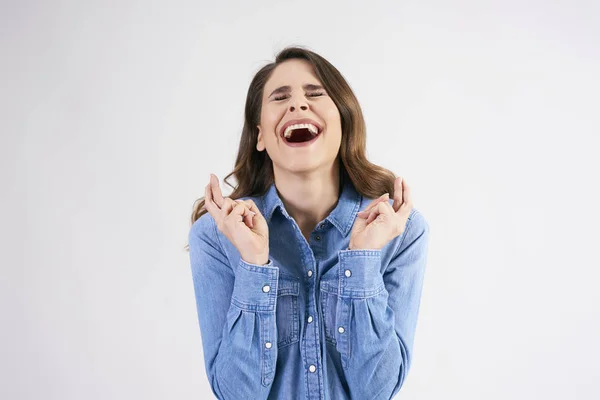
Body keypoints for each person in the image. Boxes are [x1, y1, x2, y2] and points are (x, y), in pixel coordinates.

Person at [186, 45, 430, 400]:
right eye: (280, 97)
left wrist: (361, 261)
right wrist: (254, 265)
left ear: (343, 121)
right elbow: (236, 394)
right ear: (259, 136)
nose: (298, 104)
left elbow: (377, 390)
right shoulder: (216, 235)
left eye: (315, 94)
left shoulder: (400, 230)